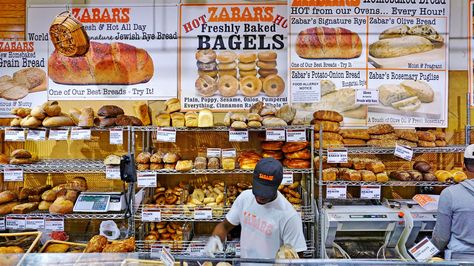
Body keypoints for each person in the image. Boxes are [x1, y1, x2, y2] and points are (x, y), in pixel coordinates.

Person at [204, 157, 307, 259]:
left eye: (266, 192)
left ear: (278, 185)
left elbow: (297, 257)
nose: (260, 196)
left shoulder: (289, 216)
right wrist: (215, 238)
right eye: (258, 189)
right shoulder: (245, 198)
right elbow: (225, 226)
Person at [432, 144, 474, 259]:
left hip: (459, 258)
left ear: (463, 166)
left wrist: (429, 252)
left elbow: (441, 237)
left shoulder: (450, 194)